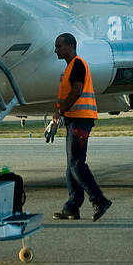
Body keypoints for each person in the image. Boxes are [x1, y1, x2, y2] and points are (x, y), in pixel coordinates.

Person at [49, 34, 112, 221]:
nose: (56, 50)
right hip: (75, 120)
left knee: (76, 164)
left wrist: (58, 113)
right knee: (71, 165)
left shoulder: (77, 64)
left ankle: (99, 200)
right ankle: (72, 206)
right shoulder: (70, 67)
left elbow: (76, 92)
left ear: (70, 46)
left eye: (59, 46)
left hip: (80, 121)